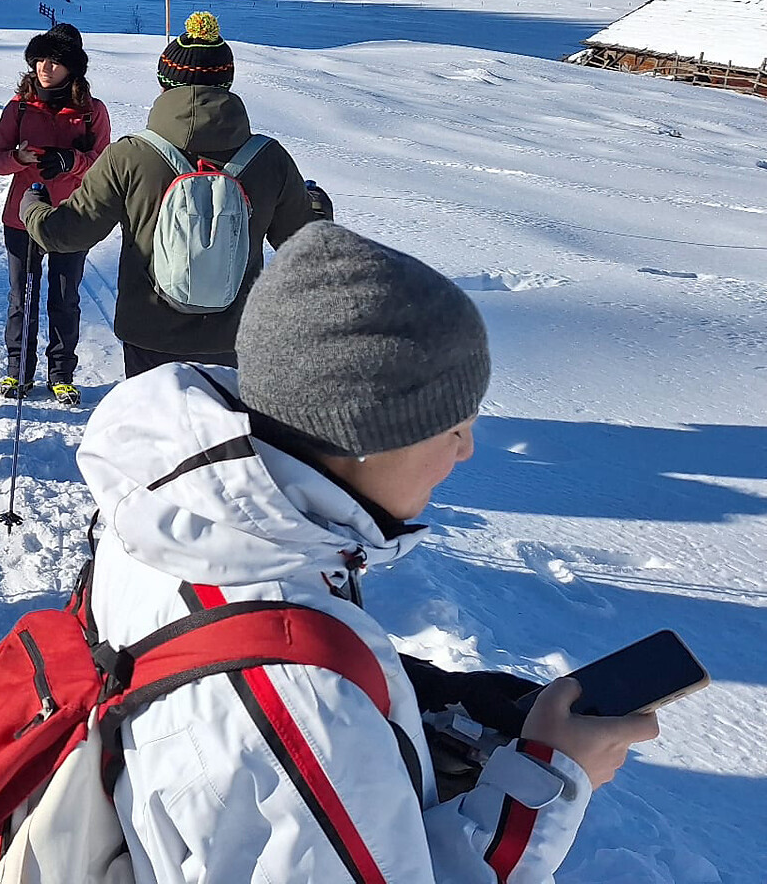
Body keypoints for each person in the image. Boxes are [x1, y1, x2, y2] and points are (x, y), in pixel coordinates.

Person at [76, 223, 655, 882]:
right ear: (367, 439)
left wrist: (419, 691)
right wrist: (548, 782)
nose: (465, 451)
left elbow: (233, 647)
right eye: (454, 426)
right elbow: (294, 709)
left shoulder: (182, 513)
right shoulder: (313, 713)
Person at [22, 10, 313, 376]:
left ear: (164, 84)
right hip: (233, 338)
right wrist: (317, 206)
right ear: (227, 83)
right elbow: (308, 248)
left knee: (155, 430)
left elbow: (65, 234)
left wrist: (32, 208)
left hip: (150, 337)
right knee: (223, 432)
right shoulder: (269, 159)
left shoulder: (130, 155)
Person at [0, 22, 111, 406]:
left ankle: (61, 374)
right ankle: (18, 372)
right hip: (21, 218)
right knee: (21, 297)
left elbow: (102, 164)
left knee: (64, 298)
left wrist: (71, 160)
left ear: (73, 68)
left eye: (55, 61)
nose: (45, 67)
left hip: (71, 216)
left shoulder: (93, 113)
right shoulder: (19, 107)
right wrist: (17, 158)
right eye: (40, 58)